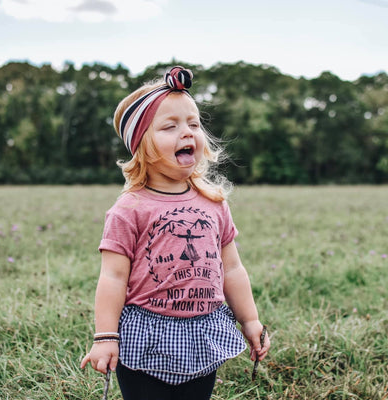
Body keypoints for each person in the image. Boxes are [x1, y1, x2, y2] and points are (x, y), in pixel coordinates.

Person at [80, 66, 270, 400]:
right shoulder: (130, 208)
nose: (187, 133)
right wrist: (105, 336)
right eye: (170, 126)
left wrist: (250, 320)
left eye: (194, 124)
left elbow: (233, 268)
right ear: (142, 145)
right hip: (146, 336)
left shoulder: (214, 203)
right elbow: (112, 277)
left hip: (202, 334)